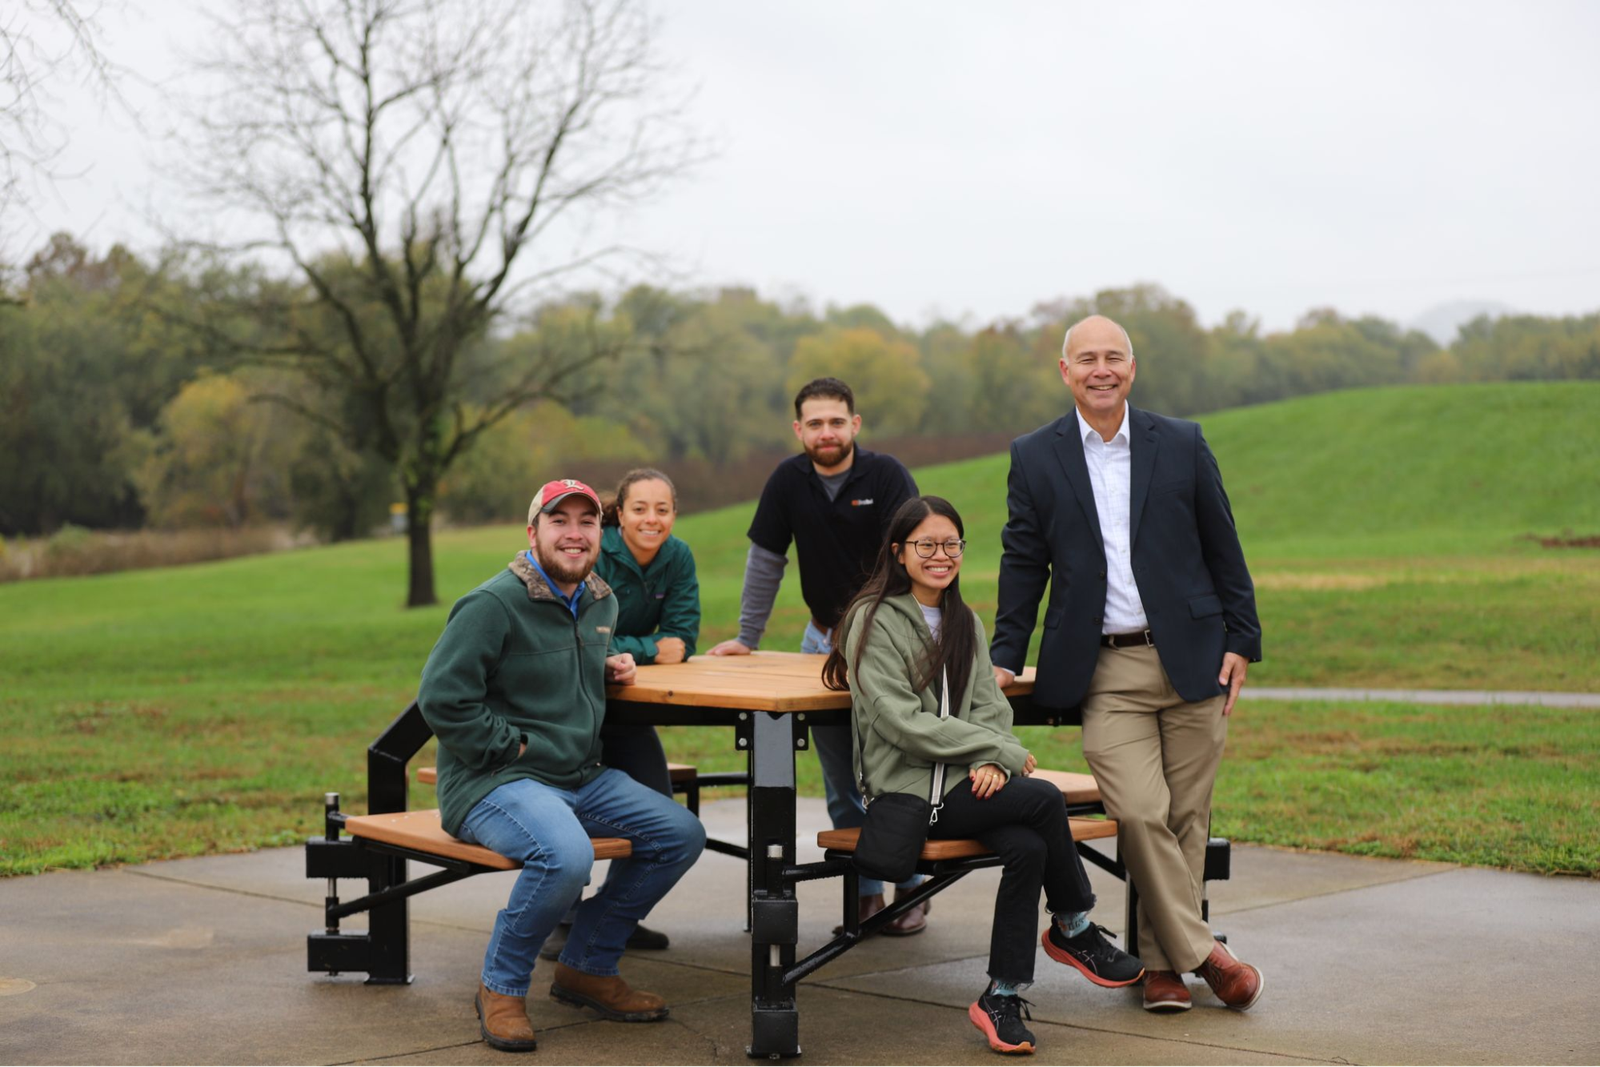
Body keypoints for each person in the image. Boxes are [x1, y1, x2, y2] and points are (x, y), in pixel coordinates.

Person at [989, 315, 1265, 1014]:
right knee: (1142, 813)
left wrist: (1243, 637)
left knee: (1188, 817)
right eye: (1087, 358)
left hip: (1195, 657)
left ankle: (1164, 968)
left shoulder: (1181, 441)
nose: (1101, 368)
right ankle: (1208, 953)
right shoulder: (1035, 455)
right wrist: (1004, 656)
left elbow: (1222, 543)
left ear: (1132, 370)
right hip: (1105, 669)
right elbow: (1024, 561)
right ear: (1065, 372)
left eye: (1114, 356)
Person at [823, 495, 1143, 1056]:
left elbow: (990, 706)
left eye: (951, 544)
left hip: (964, 785)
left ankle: (1002, 994)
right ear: (899, 553)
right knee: (1043, 799)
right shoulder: (870, 621)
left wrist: (993, 757)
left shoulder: (963, 620)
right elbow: (902, 723)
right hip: (910, 792)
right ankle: (1074, 928)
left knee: (1026, 846)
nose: (940, 555)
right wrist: (998, 750)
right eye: (926, 545)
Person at [417, 478, 706, 1052]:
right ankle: (500, 987)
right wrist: (513, 747)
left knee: (680, 834)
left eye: (587, 522)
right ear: (533, 533)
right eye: (560, 521)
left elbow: (550, 673)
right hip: (494, 780)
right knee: (565, 855)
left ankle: (587, 968)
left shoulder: (601, 600)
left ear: (602, 532)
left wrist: (605, 669)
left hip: (578, 777)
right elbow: (442, 701)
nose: (575, 534)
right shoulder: (492, 604)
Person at [706, 377, 928, 935]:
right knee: (843, 781)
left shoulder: (886, 476)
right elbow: (765, 561)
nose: (826, 432)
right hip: (820, 644)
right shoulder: (788, 480)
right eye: (815, 422)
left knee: (901, 769)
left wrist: (876, 629)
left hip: (890, 643)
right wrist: (747, 637)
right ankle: (866, 893)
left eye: (836, 421)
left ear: (855, 425)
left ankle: (912, 888)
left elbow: (914, 557)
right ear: (799, 429)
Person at [540, 468, 700, 961]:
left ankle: (609, 917)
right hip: (573, 707)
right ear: (620, 514)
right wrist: (648, 647)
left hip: (626, 706)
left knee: (663, 813)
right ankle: (563, 922)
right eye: (640, 509)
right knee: (575, 807)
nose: (651, 519)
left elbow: (685, 638)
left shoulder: (678, 556)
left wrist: (631, 651)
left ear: (674, 514)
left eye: (662, 509)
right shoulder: (590, 550)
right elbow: (581, 634)